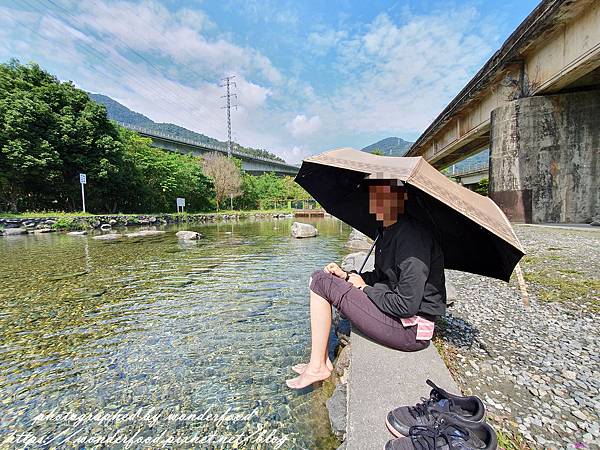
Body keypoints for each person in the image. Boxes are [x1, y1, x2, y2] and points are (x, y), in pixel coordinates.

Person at [286, 179, 446, 390]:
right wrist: (346, 275)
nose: (379, 201)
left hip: (410, 330)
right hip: (397, 318)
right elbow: (382, 276)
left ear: (402, 197)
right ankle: (321, 361)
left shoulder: (412, 238)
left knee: (320, 282)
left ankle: (318, 368)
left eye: (387, 195)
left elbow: (406, 306)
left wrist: (364, 288)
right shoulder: (387, 230)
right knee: (323, 277)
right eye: (375, 195)